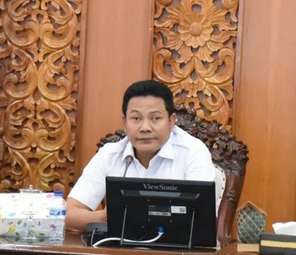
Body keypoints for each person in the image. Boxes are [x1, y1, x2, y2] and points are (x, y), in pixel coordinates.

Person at [67, 80, 215, 231]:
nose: (145, 128)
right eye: (136, 118)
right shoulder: (110, 154)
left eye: (155, 118)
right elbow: (68, 215)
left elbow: (202, 218)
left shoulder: (193, 152)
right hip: (120, 245)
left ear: (171, 122)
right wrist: (103, 218)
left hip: (177, 244)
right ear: (125, 123)